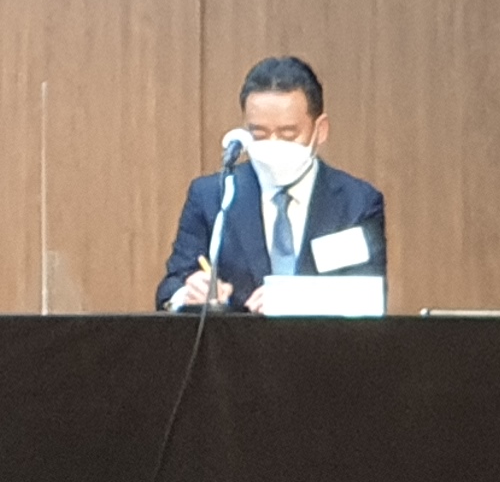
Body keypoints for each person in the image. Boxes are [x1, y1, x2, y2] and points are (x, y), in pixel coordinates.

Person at [159, 54, 388, 311]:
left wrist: (293, 299)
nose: (273, 144)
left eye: (288, 133)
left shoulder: (357, 202)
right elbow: (171, 286)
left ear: (320, 129)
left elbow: (369, 297)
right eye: (259, 134)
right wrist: (187, 293)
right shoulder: (213, 196)